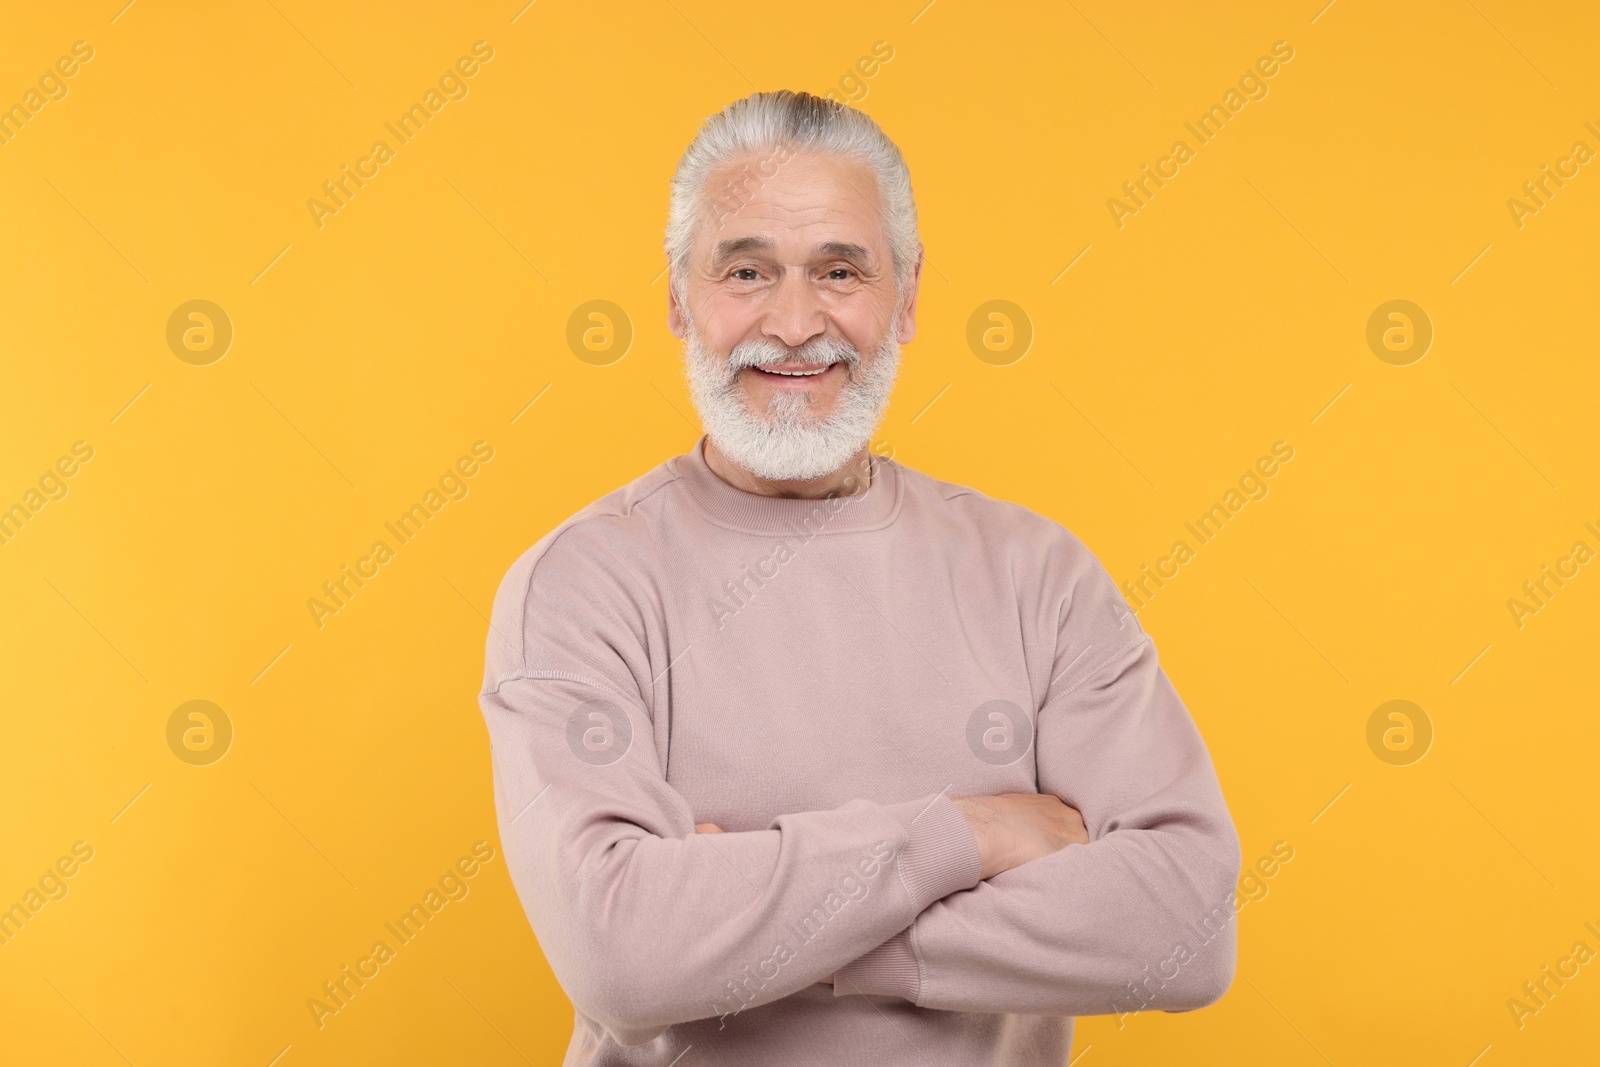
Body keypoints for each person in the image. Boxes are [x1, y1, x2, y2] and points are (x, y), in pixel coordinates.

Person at [479, 89, 1241, 1065]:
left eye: (839, 270)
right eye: (746, 270)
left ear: (908, 296)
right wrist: (976, 831)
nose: (794, 323)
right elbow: (620, 951)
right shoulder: (582, 583)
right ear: (677, 297)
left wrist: (761, 919)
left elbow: (1184, 925)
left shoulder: (1037, 574)